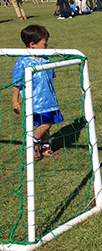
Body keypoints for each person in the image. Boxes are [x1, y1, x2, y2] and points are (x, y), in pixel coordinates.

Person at [12, 25, 63, 160]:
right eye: (44, 44)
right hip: (36, 101)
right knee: (46, 123)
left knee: (47, 126)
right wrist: (15, 101)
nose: (46, 47)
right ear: (32, 45)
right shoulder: (23, 61)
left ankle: (46, 149)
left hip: (49, 98)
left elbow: (51, 77)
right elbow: (16, 83)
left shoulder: (45, 58)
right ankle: (33, 143)